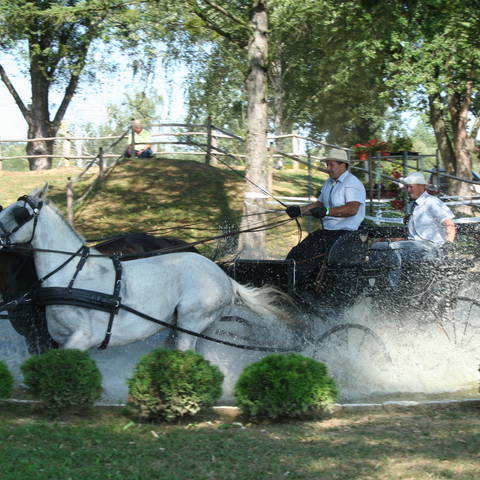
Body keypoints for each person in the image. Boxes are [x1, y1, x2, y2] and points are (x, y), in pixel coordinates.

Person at [285, 149, 366, 290]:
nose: (328, 169)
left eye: (331, 165)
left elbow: (352, 209)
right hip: (328, 233)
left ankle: (303, 289)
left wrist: (327, 211)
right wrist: (299, 211)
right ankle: (290, 285)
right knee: (296, 253)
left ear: (343, 165)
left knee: (308, 256)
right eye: (327, 165)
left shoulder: (352, 183)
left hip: (346, 234)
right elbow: (319, 205)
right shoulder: (329, 183)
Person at [388, 171, 456, 262]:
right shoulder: (412, 205)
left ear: (421, 186)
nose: (408, 190)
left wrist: (448, 244)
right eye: (407, 187)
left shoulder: (431, 202)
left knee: (392, 251)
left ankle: (388, 275)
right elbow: (414, 234)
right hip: (415, 245)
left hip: (430, 247)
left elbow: (449, 225)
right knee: (381, 246)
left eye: (411, 187)